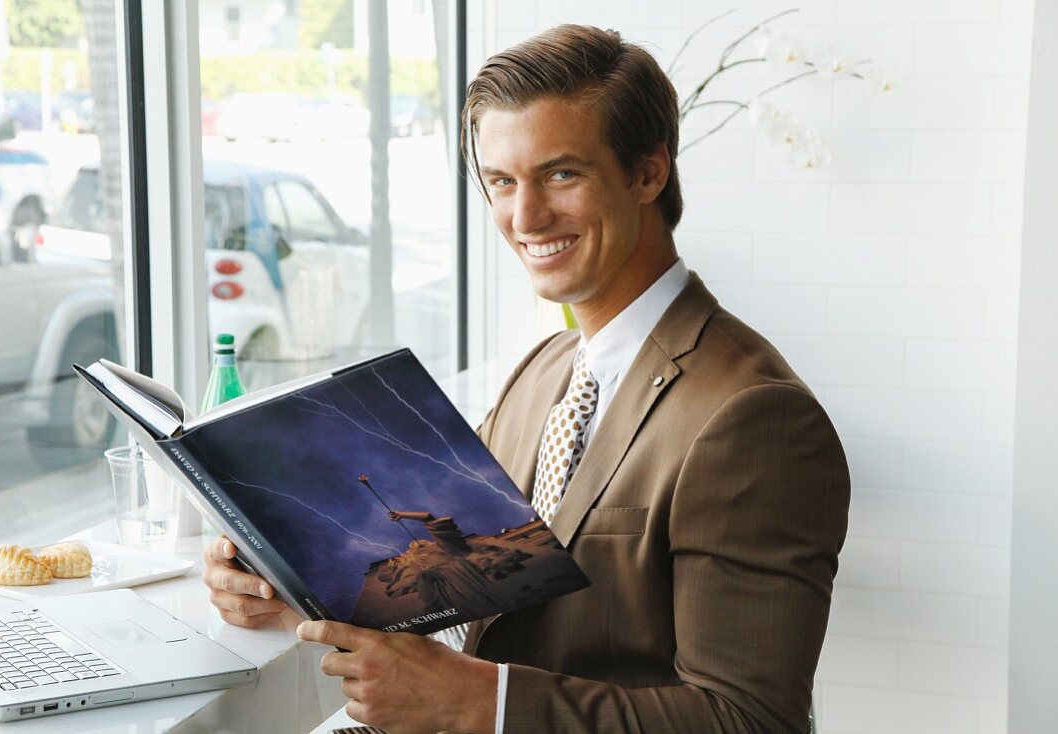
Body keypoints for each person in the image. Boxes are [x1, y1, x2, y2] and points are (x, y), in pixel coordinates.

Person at [202, 23, 849, 733]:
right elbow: (466, 584)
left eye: (561, 174)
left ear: (648, 172)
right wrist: (286, 584)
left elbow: (751, 720)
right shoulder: (543, 374)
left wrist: (482, 703)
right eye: (502, 182)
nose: (525, 216)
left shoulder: (755, 417)